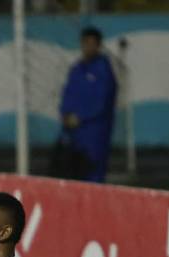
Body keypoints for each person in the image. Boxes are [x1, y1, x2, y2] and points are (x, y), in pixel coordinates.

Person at [55, 26, 118, 183]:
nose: (88, 47)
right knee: (71, 173)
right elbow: (67, 94)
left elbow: (102, 102)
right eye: (85, 43)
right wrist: (65, 115)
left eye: (92, 43)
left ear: (98, 45)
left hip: (94, 132)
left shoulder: (103, 70)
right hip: (73, 132)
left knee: (93, 174)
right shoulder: (77, 68)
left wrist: (80, 118)